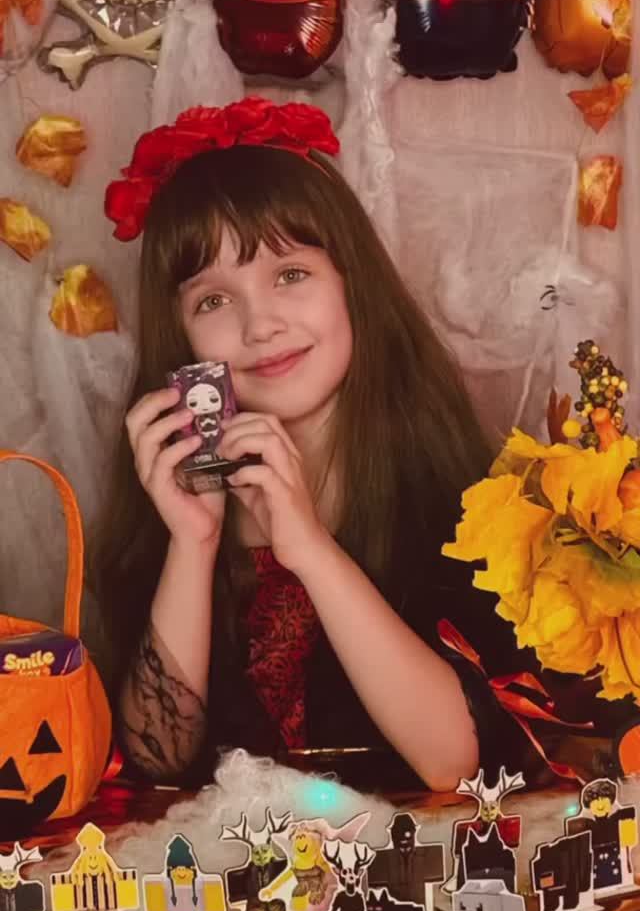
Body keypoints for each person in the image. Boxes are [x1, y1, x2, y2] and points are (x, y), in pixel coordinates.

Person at [94, 98, 532, 794]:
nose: (259, 324)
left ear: (353, 286)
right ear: (181, 339)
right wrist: (193, 544)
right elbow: (158, 760)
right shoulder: (167, 511)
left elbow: (453, 763)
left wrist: (308, 548)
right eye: (212, 300)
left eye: (290, 275)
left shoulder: (472, 504)